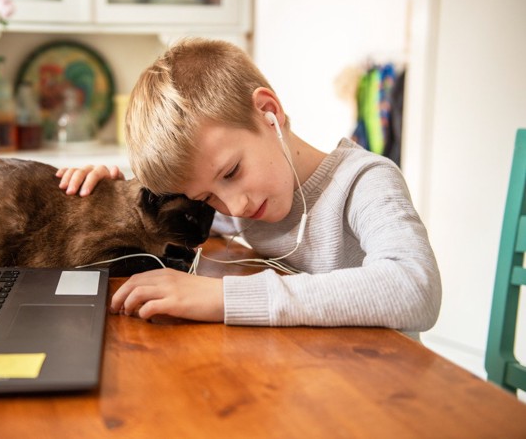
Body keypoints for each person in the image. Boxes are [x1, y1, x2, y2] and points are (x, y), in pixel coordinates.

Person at [56, 38, 441, 339]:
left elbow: (415, 288)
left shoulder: (364, 181)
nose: (233, 206)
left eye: (232, 172)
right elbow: (170, 215)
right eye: (207, 198)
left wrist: (223, 298)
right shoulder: (239, 202)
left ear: (268, 112)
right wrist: (112, 195)